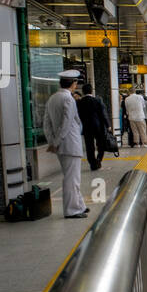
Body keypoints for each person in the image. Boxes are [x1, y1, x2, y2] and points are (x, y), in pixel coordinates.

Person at [43, 70, 89, 218]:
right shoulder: (68, 99)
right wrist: (56, 142)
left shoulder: (52, 98)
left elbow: (46, 123)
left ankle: (79, 205)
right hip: (70, 144)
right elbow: (67, 123)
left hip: (61, 146)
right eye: (76, 83)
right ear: (73, 84)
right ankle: (72, 210)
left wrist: (51, 141)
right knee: (72, 179)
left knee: (71, 176)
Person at [76, 82, 109, 171]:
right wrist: (107, 125)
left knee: (89, 146)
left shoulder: (79, 102)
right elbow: (103, 114)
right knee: (100, 144)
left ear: (83, 92)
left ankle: (93, 164)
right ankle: (99, 159)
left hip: (86, 127)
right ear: (91, 91)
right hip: (98, 126)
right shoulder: (97, 100)